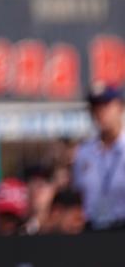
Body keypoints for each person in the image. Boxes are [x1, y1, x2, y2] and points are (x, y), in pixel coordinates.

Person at [72, 83, 125, 230]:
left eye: (106, 105)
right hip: (93, 228)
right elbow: (80, 194)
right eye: (95, 107)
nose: (100, 112)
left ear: (120, 107)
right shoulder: (84, 152)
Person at [21, 164, 55, 235]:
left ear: (54, 190)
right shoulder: (12, 228)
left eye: (45, 181)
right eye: (32, 181)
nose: (38, 187)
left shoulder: (62, 228)